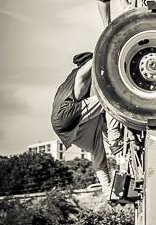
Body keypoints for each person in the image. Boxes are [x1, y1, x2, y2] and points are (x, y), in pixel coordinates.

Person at [51, 52, 123, 200]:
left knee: (98, 150)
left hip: (66, 126)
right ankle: (116, 143)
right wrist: (110, 49)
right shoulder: (80, 73)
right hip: (67, 114)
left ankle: (108, 192)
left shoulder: (66, 82)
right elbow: (97, 58)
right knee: (110, 98)